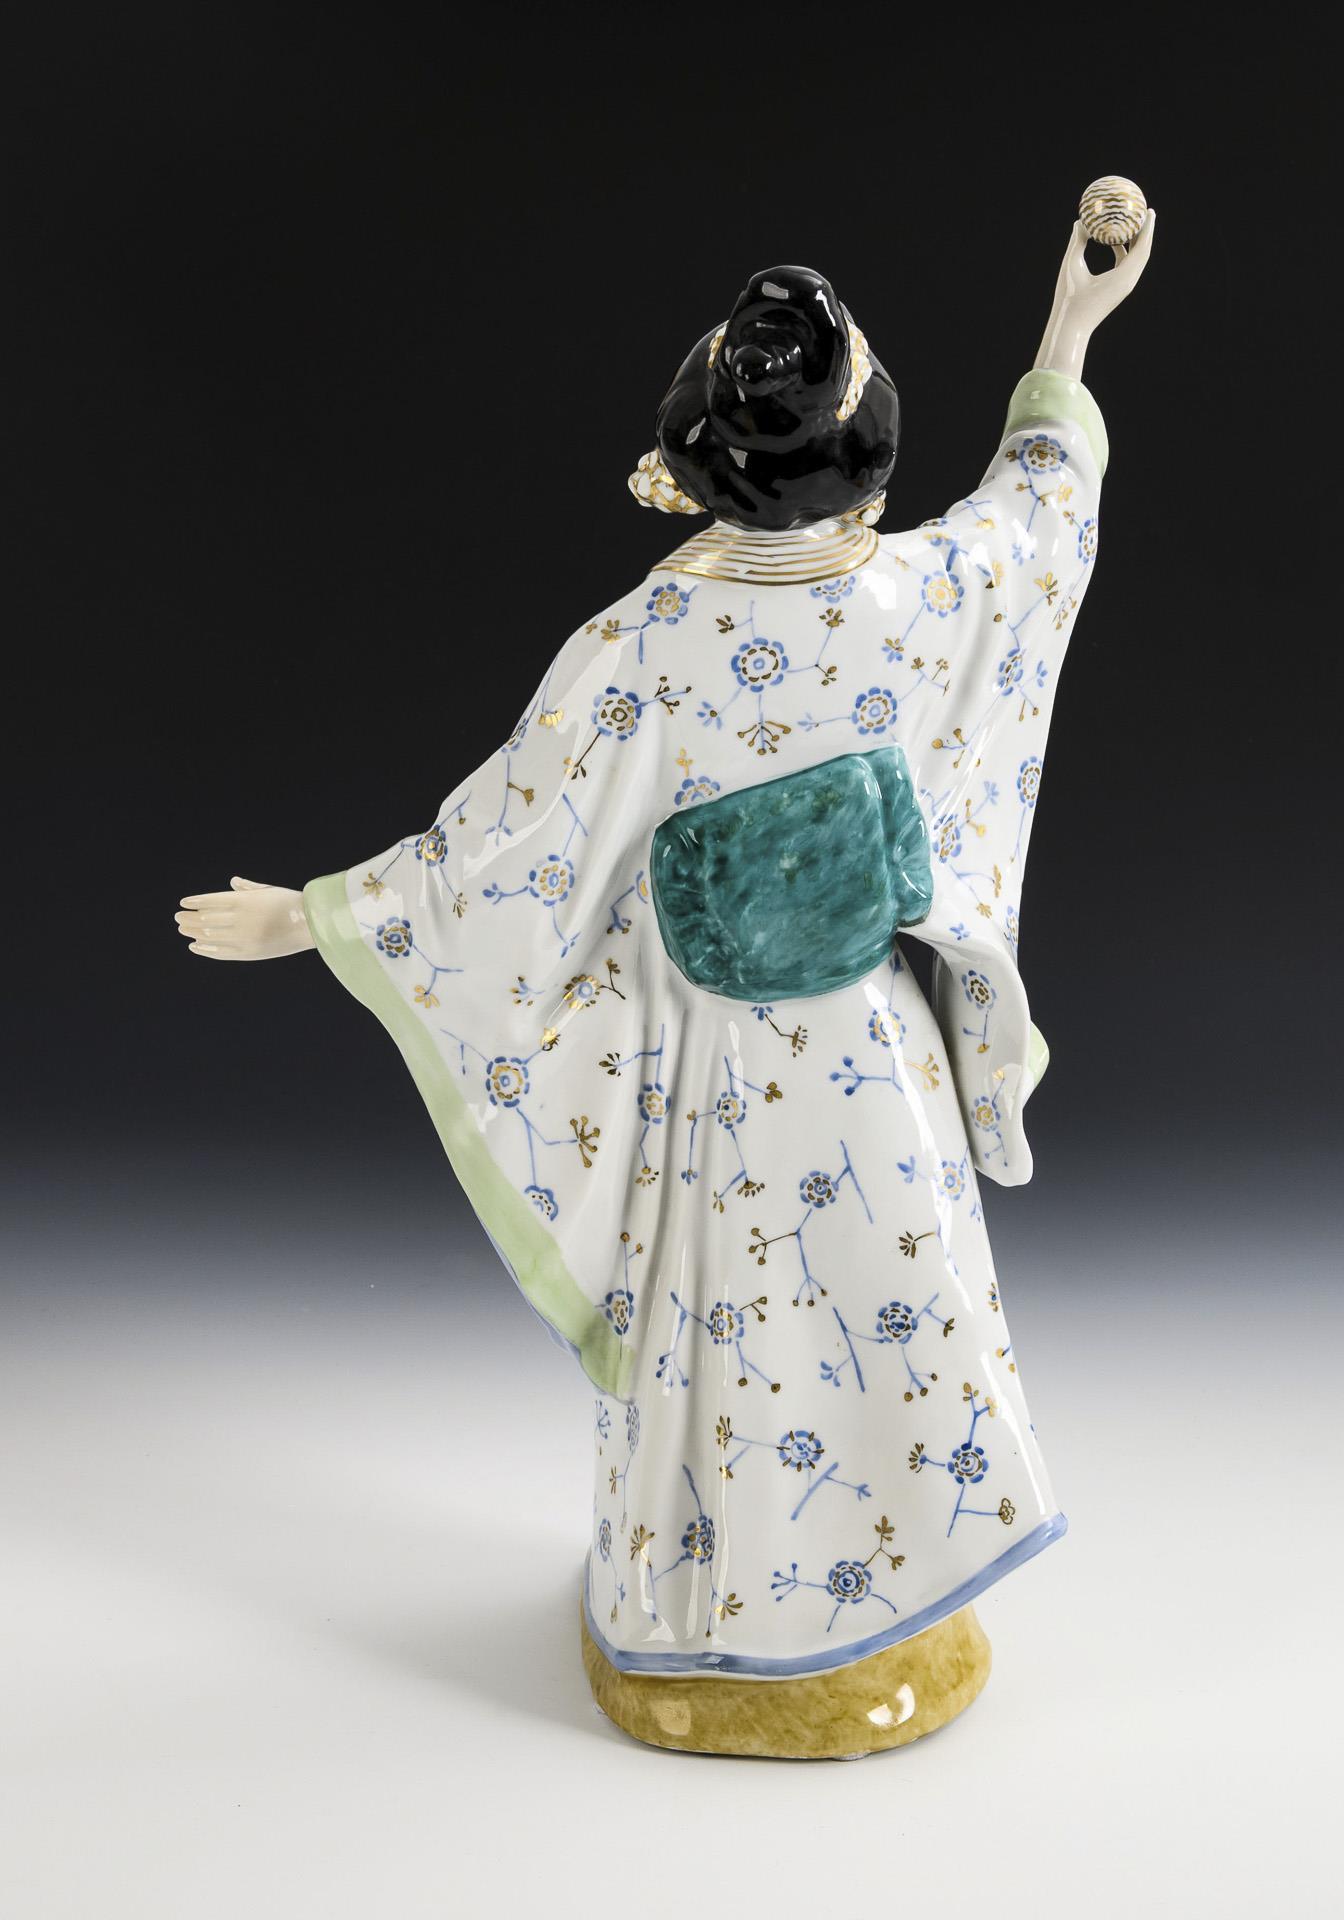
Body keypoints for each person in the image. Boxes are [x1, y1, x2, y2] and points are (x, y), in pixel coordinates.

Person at [176, 214, 1154, 1750]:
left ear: (695, 465)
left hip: (718, 1070)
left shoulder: (645, 644)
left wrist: (320, 917)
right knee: (892, 1301)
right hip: (870, 1053)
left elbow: (494, 853)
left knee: (729, 1329)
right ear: (868, 458)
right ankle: (871, 1591)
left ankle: (716, 1615)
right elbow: (1033, 523)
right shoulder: (912, 591)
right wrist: (1069, 331)